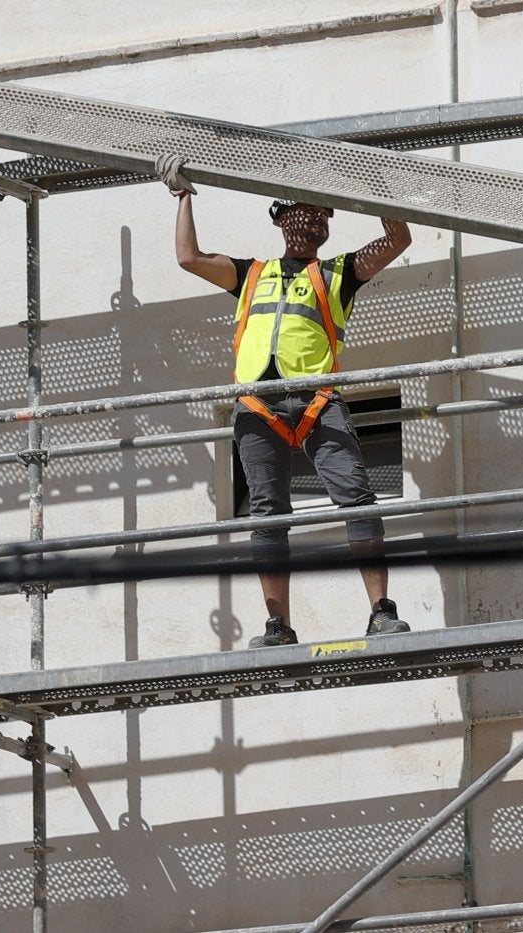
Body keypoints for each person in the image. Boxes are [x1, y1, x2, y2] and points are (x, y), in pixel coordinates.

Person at [156, 155, 413, 648]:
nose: (313, 219)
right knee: (269, 515)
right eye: (303, 211)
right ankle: (278, 626)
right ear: (280, 218)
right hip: (257, 406)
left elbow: (396, 240)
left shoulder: (340, 272)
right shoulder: (251, 274)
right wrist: (183, 196)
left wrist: (375, 185)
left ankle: (381, 611)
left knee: (357, 498)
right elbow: (188, 258)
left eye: (322, 214)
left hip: (318, 402)